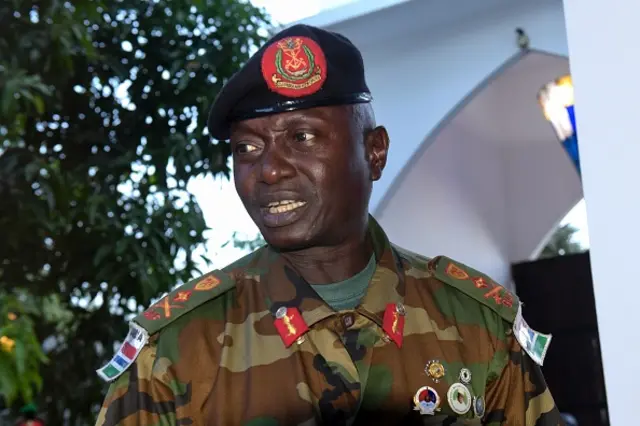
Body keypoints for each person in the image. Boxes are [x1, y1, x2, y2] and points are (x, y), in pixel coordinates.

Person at [95, 24, 564, 426]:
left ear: (374, 152)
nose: (270, 170)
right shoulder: (176, 349)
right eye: (247, 149)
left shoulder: (479, 326)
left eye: (302, 137)